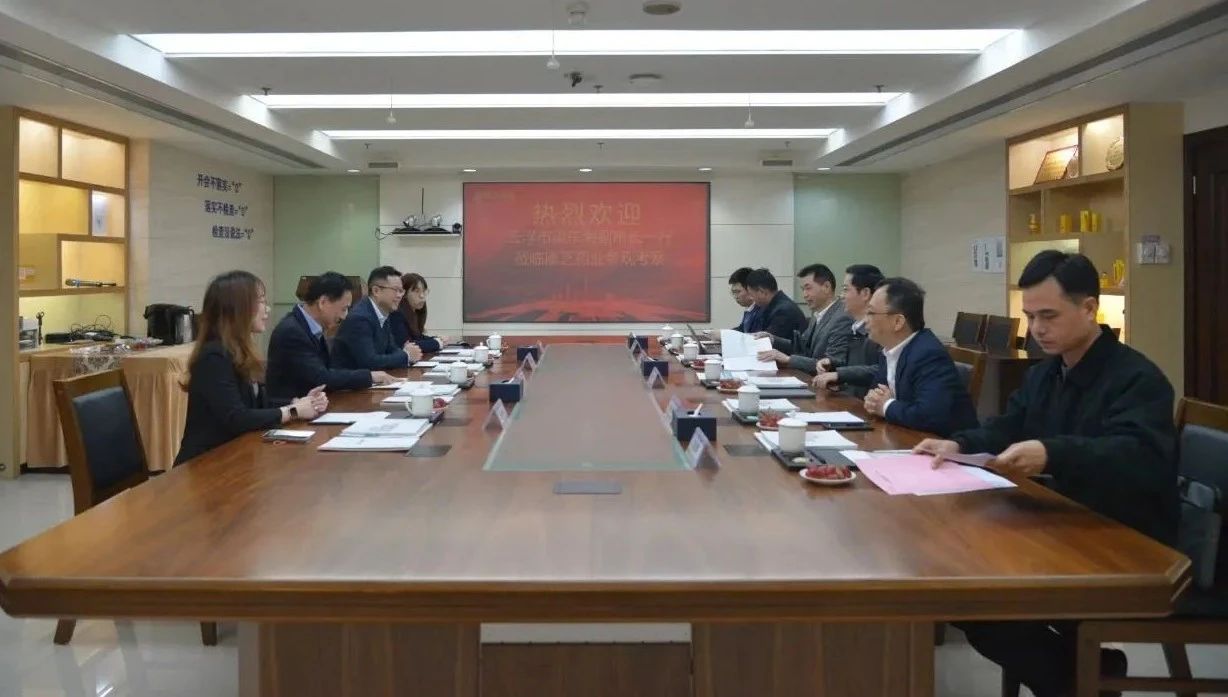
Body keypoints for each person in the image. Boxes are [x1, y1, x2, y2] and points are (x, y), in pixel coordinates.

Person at [914, 251, 1177, 697]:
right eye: (1031, 316)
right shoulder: (1046, 373)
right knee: (961, 591)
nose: (1037, 329)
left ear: (1089, 308)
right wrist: (958, 444)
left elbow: (1136, 456)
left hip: (1123, 534)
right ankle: (1087, 675)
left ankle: (1081, 680)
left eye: (1049, 316)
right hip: (1061, 522)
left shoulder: (1137, 378)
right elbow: (1007, 426)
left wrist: (1051, 453)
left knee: (981, 604)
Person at [175, 270, 328, 466]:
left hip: (235, 458)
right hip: (205, 464)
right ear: (238, 308)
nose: (267, 309)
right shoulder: (213, 356)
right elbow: (237, 417)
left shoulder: (238, 351)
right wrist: (293, 411)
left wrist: (298, 402)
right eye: (261, 301)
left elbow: (255, 405)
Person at [841, 277, 978, 436]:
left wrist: (886, 406)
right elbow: (874, 395)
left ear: (898, 322)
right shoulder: (889, 348)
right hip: (905, 436)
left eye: (871, 312)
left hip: (947, 445)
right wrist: (876, 401)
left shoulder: (928, 354)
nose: (866, 320)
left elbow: (929, 416)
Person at [266, 271, 397, 404]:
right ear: (323, 302)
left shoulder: (311, 327)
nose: (345, 316)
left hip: (315, 404)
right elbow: (321, 377)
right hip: (292, 408)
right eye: (344, 309)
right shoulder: (292, 331)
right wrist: (369, 376)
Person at [756, 263, 852, 374]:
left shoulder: (841, 318)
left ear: (826, 287)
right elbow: (801, 345)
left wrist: (788, 359)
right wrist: (772, 338)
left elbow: (832, 363)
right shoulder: (817, 314)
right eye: (803, 289)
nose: (805, 295)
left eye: (808, 288)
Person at [812, 264, 884, 398]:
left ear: (865, 293)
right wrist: (832, 364)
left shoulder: (881, 330)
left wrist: (839, 375)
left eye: (846, 289)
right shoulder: (855, 328)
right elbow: (856, 368)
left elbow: (882, 370)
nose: (841, 296)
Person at [333, 266, 424, 370]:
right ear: (376, 291)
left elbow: (391, 349)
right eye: (396, 290)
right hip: (352, 379)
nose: (400, 296)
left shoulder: (383, 313)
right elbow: (370, 362)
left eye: (401, 291)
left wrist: (405, 353)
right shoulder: (360, 318)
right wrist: (406, 355)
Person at [388, 273, 450, 353]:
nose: (422, 296)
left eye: (424, 291)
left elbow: (418, 338)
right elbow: (406, 345)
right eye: (417, 291)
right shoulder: (397, 315)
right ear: (404, 294)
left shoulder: (415, 313)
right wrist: (437, 343)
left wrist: (437, 339)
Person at [743, 268, 808, 340]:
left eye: (751, 295)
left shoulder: (783, 312)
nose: (751, 298)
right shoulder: (770, 306)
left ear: (762, 292)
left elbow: (767, 341)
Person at [728, 267, 762, 333]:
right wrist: (722, 333)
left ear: (750, 289)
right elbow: (741, 329)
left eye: (738, 292)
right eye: (733, 292)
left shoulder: (762, 312)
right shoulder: (749, 309)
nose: (735, 296)